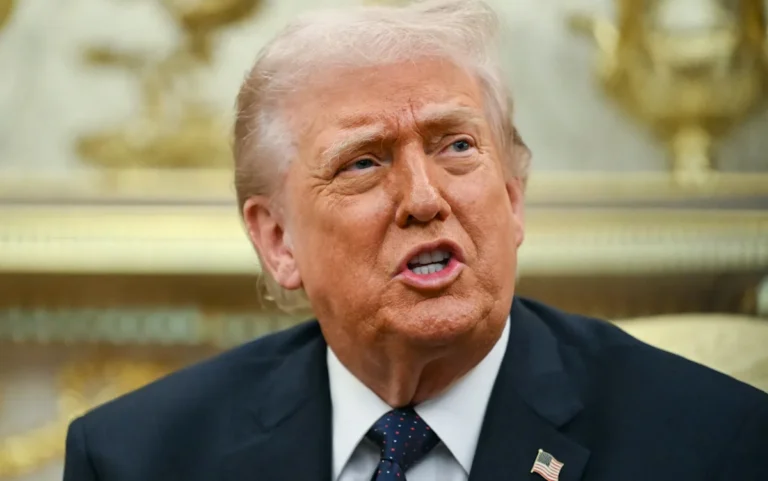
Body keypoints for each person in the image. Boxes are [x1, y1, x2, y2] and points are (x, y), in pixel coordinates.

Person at [63, 1, 768, 480]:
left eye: (457, 146)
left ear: (513, 197)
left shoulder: (712, 443)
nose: (425, 199)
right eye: (364, 161)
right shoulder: (140, 458)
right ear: (277, 238)